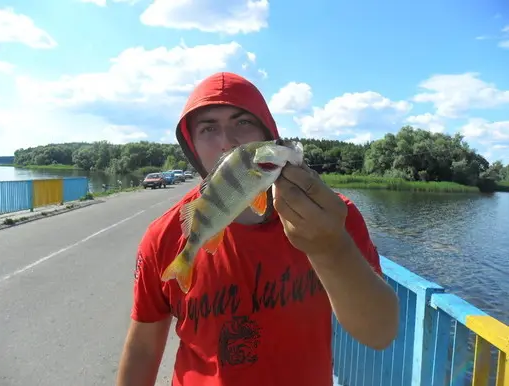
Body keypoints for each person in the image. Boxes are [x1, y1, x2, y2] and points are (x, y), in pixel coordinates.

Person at [116, 72, 399, 386]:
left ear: (268, 135)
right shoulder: (163, 237)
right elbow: (143, 348)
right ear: (192, 146)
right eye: (208, 128)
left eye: (242, 123)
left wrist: (331, 247)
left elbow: (380, 333)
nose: (227, 142)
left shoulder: (331, 215)